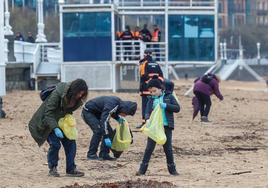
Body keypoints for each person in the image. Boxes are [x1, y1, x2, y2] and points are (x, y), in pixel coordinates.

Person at [28, 79, 88, 177]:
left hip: (61, 122)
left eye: (83, 94)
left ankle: (71, 169)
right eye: (79, 93)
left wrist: (69, 122)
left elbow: (67, 111)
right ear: (74, 90)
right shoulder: (57, 94)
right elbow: (48, 113)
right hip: (46, 123)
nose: (80, 96)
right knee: (55, 144)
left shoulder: (77, 100)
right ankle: (53, 169)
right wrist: (55, 128)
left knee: (71, 143)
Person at [136, 78, 180, 176]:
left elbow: (177, 108)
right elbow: (147, 111)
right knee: (149, 148)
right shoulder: (151, 100)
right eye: (151, 92)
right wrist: (147, 119)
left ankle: (172, 170)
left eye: (154, 91)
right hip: (154, 127)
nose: (153, 93)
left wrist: (166, 105)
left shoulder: (169, 96)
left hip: (166, 126)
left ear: (161, 88)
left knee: (167, 148)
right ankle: (142, 170)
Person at [82, 96, 137, 160]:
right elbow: (104, 120)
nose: (125, 116)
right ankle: (91, 154)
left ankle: (104, 154)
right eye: (126, 114)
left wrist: (118, 118)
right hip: (88, 112)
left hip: (98, 113)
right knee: (98, 131)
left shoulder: (118, 104)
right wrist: (106, 137)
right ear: (125, 109)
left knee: (109, 132)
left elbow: (111, 112)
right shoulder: (112, 104)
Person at [137, 49, 163, 128]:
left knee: (145, 106)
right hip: (156, 90)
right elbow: (161, 77)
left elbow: (143, 76)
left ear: (144, 54)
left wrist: (149, 84)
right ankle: (154, 122)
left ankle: (145, 122)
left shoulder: (143, 63)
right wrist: (157, 85)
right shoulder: (156, 64)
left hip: (146, 90)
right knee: (154, 106)